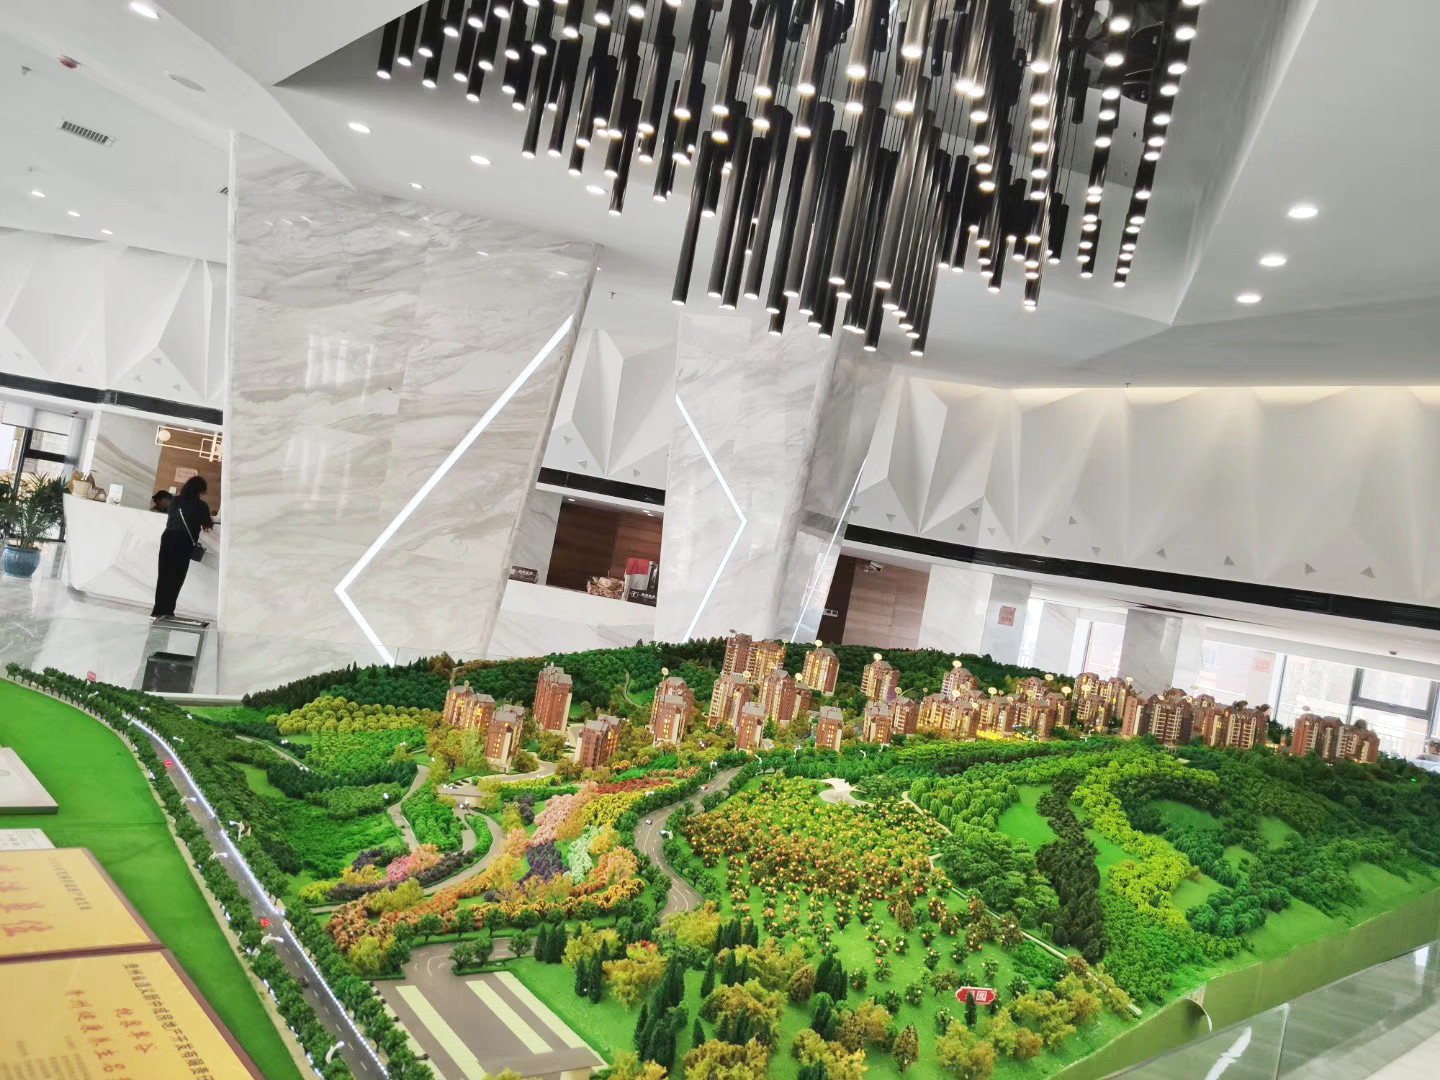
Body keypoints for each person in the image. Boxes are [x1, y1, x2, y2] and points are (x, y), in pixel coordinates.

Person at [151, 476, 213, 620]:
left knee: (164, 576)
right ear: (200, 491)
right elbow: (207, 524)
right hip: (183, 542)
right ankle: (167, 611)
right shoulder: (201, 505)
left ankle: (157, 610)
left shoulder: (174, 501)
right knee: (176, 578)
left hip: (167, 538)